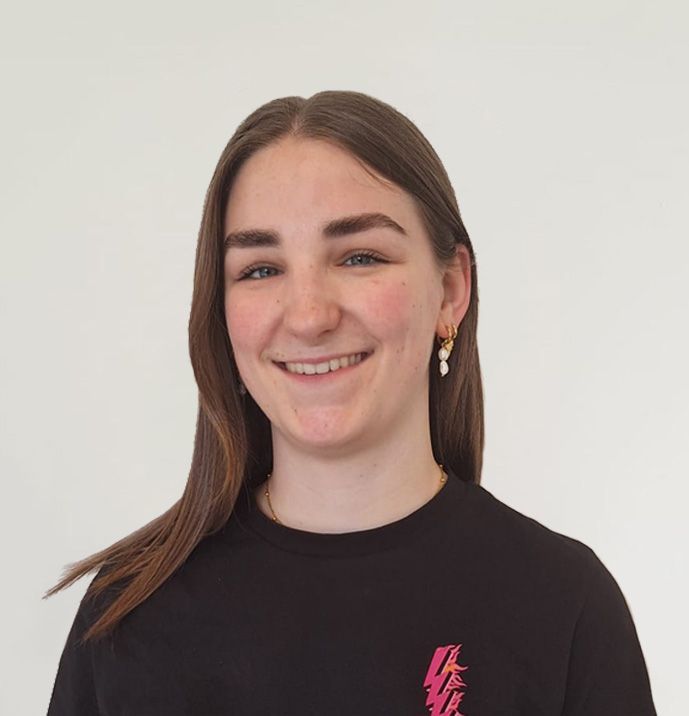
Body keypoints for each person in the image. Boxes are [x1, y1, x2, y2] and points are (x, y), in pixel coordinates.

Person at [45, 90, 657, 715]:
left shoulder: (564, 606)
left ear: (451, 289)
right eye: (260, 269)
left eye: (360, 257)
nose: (309, 316)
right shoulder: (125, 619)